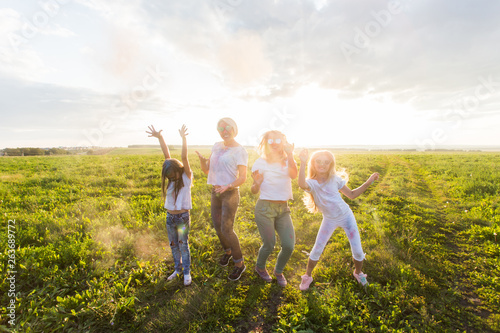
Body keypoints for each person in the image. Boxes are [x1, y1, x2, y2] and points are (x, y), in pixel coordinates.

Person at [297, 149, 379, 291]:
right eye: (318, 161)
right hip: (329, 219)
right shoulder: (311, 183)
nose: (322, 164)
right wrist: (303, 163)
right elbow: (301, 184)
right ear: (313, 163)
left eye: (326, 162)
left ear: (331, 164)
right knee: (317, 249)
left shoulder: (335, 179)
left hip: (347, 217)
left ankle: (358, 273)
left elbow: (352, 195)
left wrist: (368, 182)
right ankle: (307, 276)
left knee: (358, 251)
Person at [195, 118, 248, 281]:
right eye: (221, 128)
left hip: (230, 193)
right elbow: (207, 171)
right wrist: (202, 162)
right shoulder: (216, 146)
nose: (224, 131)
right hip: (215, 192)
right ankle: (228, 252)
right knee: (218, 227)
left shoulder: (240, 150)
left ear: (234, 129)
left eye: (227, 128)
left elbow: (243, 177)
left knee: (227, 228)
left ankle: (239, 264)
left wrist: (229, 186)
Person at [147, 124, 193, 286]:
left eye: (174, 177)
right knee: (173, 245)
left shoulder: (186, 178)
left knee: (183, 245)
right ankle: (177, 269)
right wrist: (160, 138)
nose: (172, 180)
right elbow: (166, 156)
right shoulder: (170, 175)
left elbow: (184, 158)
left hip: (182, 218)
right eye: (169, 178)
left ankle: (186, 272)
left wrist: (183, 138)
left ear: (180, 171)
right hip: (170, 218)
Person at [251, 130, 297, 287]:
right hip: (265, 209)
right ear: (266, 144)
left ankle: (278, 271)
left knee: (289, 245)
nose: (275, 143)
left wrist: (290, 155)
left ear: (283, 142)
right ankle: (260, 267)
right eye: (271, 141)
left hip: (283, 209)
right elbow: (253, 190)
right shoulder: (259, 162)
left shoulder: (287, 161)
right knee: (269, 244)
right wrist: (256, 183)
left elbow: (293, 175)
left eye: (278, 140)